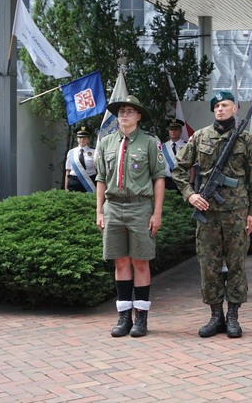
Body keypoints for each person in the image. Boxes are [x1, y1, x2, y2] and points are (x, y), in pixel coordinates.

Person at [173, 91, 252, 338]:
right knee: (208, 266)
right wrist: (190, 195)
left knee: (236, 265)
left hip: (236, 213)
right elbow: (179, 170)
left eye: (225, 105)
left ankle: (233, 317)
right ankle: (215, 316)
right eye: (216, 106)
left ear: (234, 108)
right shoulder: (200, 137)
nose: (220, 109)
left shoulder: (245, 139)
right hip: (208, 212)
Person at [95, 95, 165, 338]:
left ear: (138, 116)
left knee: (140, 261)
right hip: (113, 207)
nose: (123, 115)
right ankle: (123, 316)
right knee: (121, 261)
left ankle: (141, 318)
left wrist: (156, 213)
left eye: (129, 111)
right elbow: (101, 179)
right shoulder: (106, 143)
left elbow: (159, 178)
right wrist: (99, 210)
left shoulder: (149, 142)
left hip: (140, 208)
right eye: (120, 111)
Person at [64, 126, 97, 192]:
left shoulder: (94, 152)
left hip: (90, 182)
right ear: (77, 139)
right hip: (74, 182)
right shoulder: (71, 152)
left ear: (88, 139)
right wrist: (66, 187)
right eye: (80, 137)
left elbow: (98, 170)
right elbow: (68, 171)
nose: (82, 139)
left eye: (84, 137)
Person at [162, 118, 187, 191]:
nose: (173, 132)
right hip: (167, 181)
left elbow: (192, 167)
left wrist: (191, 182)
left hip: (182, 180)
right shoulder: (162, 147)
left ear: (181, 131)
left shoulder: (186, 146)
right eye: (171, 129)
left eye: (175, 130)